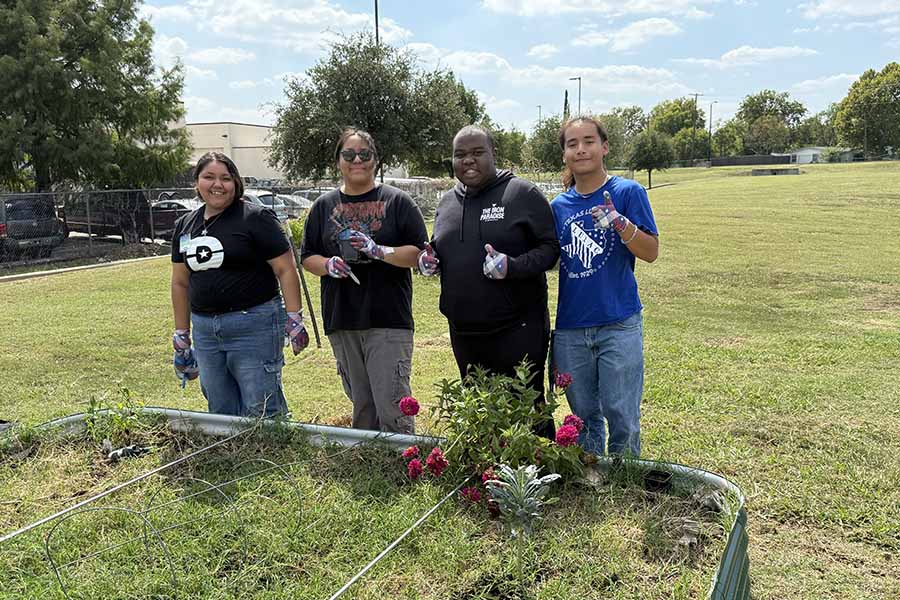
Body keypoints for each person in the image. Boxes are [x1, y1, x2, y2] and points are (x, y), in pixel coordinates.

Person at [418, 125, 560, 438]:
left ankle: (538, 479)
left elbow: (550, 250)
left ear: (493, 153)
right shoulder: (446, 204)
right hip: (465, 332)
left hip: (518, 327)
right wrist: (428, 262)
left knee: (527, 407)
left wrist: (512, 265)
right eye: (460, 154)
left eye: (477, 152)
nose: (468, 160)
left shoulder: (522, 194)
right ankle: (488, 476)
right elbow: (439, 248)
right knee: (480, 409)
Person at [300, 128, 428, 434]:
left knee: (392, 404)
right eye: (349, 154)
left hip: (387, 318)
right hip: (342, 318)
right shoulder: (323, 206)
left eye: (364, 154)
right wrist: (328, 265)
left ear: (375, 160)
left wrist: (379, 250)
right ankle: (367, 463)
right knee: (361, 405)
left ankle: (402, 464)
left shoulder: (398, 202)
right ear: (338, 161)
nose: (357, 160)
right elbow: (308, 257)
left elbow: (419, 255)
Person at [550, 116, 659, 456]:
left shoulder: (628, 193)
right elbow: (550, 259)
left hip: (618, 321)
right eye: (572, 144)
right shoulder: (557, 207)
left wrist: (621, 224)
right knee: (583, 416)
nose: (581, 149)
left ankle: (625, 476)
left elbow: (651, 252)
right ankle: (592, 473)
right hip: (571, 326)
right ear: (565, 154)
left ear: (605, 146)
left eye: (589, 141)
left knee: (621, 412)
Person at [170, 152, 309, 418]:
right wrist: (181, 335)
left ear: (236, 182)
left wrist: (294, 319)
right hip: (206, 330)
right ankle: (231, 457)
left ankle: (271, 457)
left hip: (254, 325)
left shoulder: (255, 217)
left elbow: (286, 268)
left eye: (225, 178)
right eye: (208, 177)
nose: (217, 184)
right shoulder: (186, 226)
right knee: (219, 406)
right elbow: (179, 282)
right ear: (197, 183)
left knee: (261, 405)